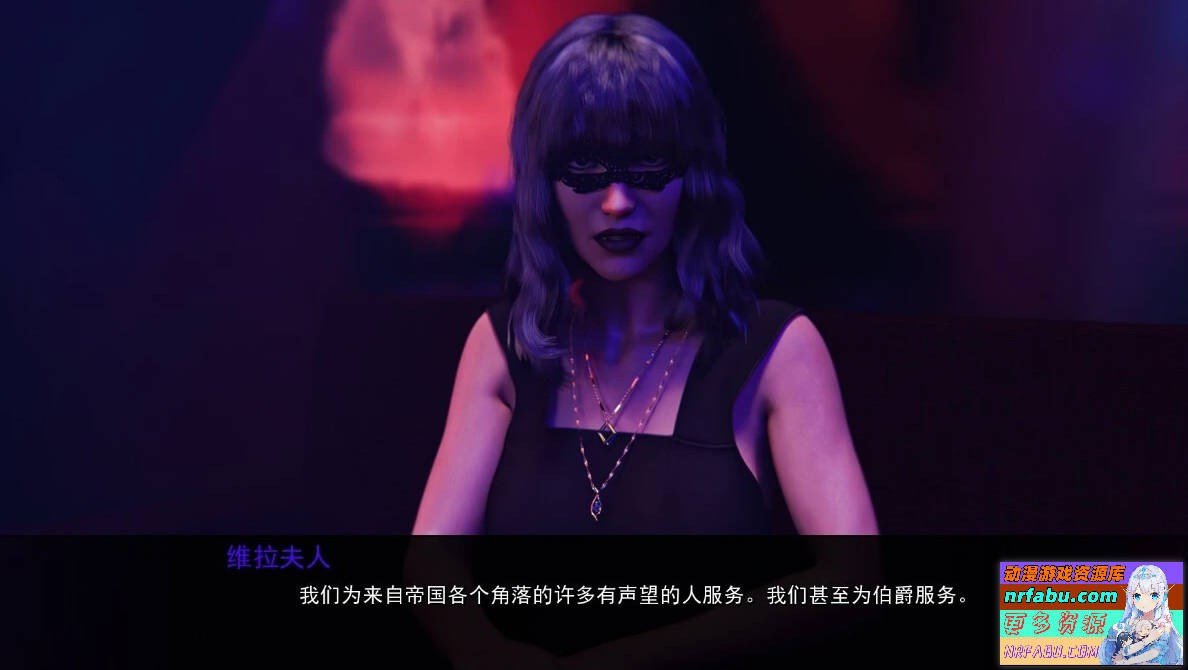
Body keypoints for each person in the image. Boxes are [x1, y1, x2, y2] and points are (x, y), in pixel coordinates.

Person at [412, 12, 876, 536]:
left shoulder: (777, 349)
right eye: (585, 170)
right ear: (545, 183)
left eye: (647, 168)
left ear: (693, 174)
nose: (617, 203)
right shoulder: (502, 347)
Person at [1099, 564, 1183, 665]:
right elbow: (1124, 650)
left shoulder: (1162, 625)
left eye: (1153, 595)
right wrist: (1148, 640)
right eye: (1137, 595)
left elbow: (1154, 652)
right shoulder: (1130, 621)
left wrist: (1127, 661)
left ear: (1161, 596)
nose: (1144, 602)